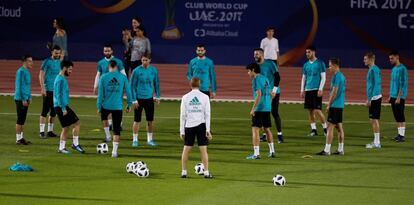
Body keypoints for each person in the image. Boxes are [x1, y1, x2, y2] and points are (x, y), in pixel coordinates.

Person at [97, 60, 133, 157]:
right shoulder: (123, 77)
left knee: (104, 119)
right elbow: (129, 92)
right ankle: (114, 152)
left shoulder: (103, 77)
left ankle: (108, 136)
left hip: (106, 106)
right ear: (117, 67)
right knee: (117, 130)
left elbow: (100, 94)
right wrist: (129, 104)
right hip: (117, 107)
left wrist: (98, 106)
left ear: (109, 67)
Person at [179, 77, 212, 178]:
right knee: (203, 150)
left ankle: (184, 172)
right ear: (199, 84)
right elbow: (207, 114)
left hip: (189, 126)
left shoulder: (185, 97)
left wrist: (181, 130)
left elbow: (182, 115)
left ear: (190, 85)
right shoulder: (205, 97)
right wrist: (208, 130)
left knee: (186, 149)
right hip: (201, 126)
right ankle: (206, 172)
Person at [93, 44, 126, 137]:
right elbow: (98, 74)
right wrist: (95, 85)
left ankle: (118, 123)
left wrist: (124, 86)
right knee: (106, 106)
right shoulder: (100, 63)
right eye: (105, 51)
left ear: (112, 51)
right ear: (103, 52)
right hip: (105, 89)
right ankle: (111, 124)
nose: (107, 52)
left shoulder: (118, 62)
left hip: (115, 87)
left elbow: (123, 74)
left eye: (108, 51)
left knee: (116, 105)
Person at [54, 60, 85, 154]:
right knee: (77, 122)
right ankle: (74, 144)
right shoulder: (60, 79)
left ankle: (62, 147)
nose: (71, 71)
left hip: (61, 106)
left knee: (66, 127)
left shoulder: (61, 78)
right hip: (61, 107)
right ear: (64, 68)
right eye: (70, 69)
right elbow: (58, 95)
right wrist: (63, 108)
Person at [245, 63, 275, 160]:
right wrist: (268, 105)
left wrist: (253, 108)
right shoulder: (265, 78)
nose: (248, 73)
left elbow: (258, 95)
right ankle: (272, 151)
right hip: (267, 108)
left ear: (253, 70)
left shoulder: (255, 80)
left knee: (255, 130)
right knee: (267, 129)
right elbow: (271, 94)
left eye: (249, 71)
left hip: (259, 108)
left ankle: (256, 154)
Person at [130, 54, 161, 147]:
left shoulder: (153, 70)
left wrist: (158, 96)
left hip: (149, 99)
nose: (144, 62)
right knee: (137, 120)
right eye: (143, 60)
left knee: (150, 120)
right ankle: (135, 140)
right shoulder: (136, 71)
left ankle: (150, 140)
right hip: (139, 99)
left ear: (150, 60)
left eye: (146, 60)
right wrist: (134, 100)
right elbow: (132, 86)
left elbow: (157, 84)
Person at [317, 58, 346, 156]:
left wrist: (329, 104)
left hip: (335, 105)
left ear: (335, 66)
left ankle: (327, 150)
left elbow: (335, 91)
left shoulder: (336, 76)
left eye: (329, 66)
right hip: (340, 105)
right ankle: (341, 149)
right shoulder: (342, 76)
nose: (328, 68)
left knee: (330, 127)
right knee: (339, 128)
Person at [254, 48, 283, 143]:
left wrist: (274, 90)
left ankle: (279, 135)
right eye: (254, 54)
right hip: (264, 94)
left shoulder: (270, 64)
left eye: (257, 54)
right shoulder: (255, 66)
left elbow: (278, 77)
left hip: (274, 92)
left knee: (274, 112)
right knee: (264, 113)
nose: (255, 56)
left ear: (262, 55)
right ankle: (264, 135)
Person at [300, 46, 327, 137]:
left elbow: (323, 77)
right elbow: (304, 78)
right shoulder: (305, 65)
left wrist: (320, 89)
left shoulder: (320, 63)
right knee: (310, 111)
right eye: (306, 52)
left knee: (317, 110)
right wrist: (302, 90)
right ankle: (314, 130)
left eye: (309, 52)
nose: (307, 54)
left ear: (314, 52)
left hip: (316, 90)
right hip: (308, 90)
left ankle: (325, 129)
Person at [38, 45, 61, 139]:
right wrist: (43, 88)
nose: (57, 54)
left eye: (59, 53)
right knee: (44, 111)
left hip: (56, 91)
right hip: (48, 90)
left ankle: (50, 131)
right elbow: (40, 75)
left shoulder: (60, 62)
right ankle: (41, 131)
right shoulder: (46, 62)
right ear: (52, 52)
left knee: (53, 112)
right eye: (56, 53)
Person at [388, 51, 408, 143]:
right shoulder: (393, 69)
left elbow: (402, 84)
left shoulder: (402, 69)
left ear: (397, 57)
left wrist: (399, 97)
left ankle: (402, 136)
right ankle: (399, 135)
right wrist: (390, 95)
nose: (390, 60)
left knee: (401, 116)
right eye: (390, 58)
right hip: (393, 96)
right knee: (396, 116)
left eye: (392, 58)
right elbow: (392, 83)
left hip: (399, 97)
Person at [364, 52, 382, 149]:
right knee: (373, 120)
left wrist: (370, 99)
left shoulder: (374, 69)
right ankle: (376, 141)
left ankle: (377, 142)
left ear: (371, 59)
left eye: (365, 59)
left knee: (374, 120)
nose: (364, 61)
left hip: (375, 98)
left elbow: (376, 85)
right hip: (375, 97)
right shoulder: (373, 69)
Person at [14, 55, 33, 145]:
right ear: (25, 61)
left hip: (26, 98)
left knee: (23, 119)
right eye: (29, 61)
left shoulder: (27, 72)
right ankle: (18, 139)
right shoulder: (20, 71)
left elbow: (27, 86)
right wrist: (23, 99)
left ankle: (21, 138)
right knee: (20, 119)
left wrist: (29, 97)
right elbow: (19, 86)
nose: (31, 63)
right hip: (20, 99)